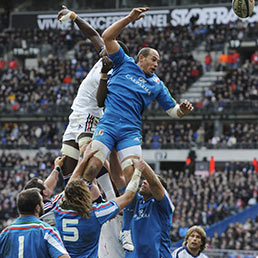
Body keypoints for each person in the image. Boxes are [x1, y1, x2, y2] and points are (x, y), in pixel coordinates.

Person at [82, 7, 193, 250]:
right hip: (108, 124)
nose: (156, 64)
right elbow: (107, 36)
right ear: (140, 58)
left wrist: (182, 109)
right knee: (92, 166)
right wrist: (130, 19)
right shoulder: (123, 62)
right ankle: (78, 212)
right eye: (153, 59)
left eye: (159, 61)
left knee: (133, 178)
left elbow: (173, 111)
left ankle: (126, 231)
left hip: (130, 132)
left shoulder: (157, 84)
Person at [54, 162, 142, 258]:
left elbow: (68, 190)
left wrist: (85, 159)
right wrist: (138, 172)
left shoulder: (58, 212)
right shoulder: (95, 214)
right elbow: (128, 197)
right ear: (85, 196)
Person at [124, 159, 174, 258]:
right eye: (144, 179)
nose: (144, 182)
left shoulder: (163, 206)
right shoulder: (136, 201)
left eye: (148, 181)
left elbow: (155, 183)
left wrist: (138, 159)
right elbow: (122, 179)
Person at [0, 188, 70, 258]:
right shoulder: (46, 231)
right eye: (42, 202)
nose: (43, 204)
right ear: (37, 208)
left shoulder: (5, 233)